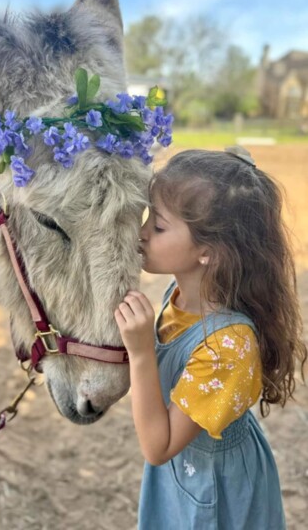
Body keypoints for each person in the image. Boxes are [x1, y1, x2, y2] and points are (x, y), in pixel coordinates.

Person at [115, 147, 307, 530]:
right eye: (148, 216)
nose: (142, 233)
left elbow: (158, 447)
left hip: (216, 490)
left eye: (160, 226)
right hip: (183, 474)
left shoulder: (229, 345)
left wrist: (140, 353)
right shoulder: (179, 295)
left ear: (208, 252)